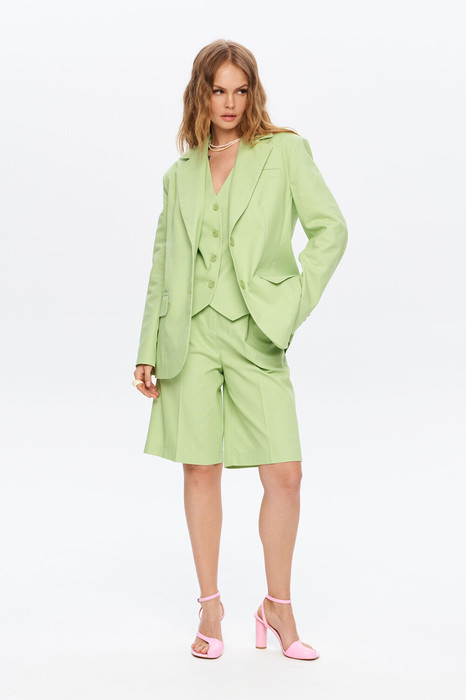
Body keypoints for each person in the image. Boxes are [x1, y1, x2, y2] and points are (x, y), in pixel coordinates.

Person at [132, 39, 348, 660]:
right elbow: (162, 266)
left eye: (240, 89)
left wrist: (290, 302)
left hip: (256, 331)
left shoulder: (283, 152)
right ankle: (211, 607)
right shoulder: (179, 175)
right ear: (200, 95)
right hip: (190, 336)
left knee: (285, 474)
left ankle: (277, 606)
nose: (229, 102)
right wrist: (147, 346)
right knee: (200, 468)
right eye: (218, 90)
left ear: (253, 93)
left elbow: (330, 230)